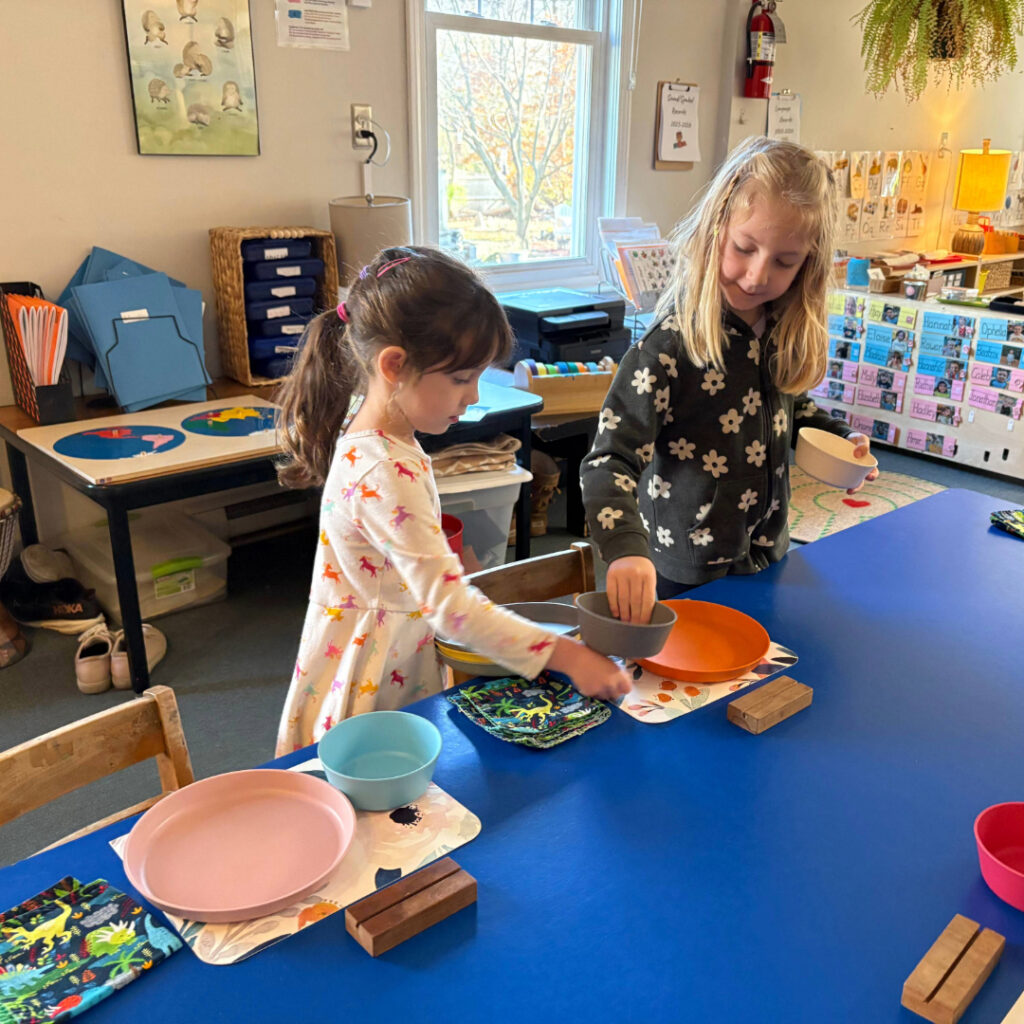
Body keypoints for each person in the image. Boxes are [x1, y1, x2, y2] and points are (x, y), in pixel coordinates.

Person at [274, 246, 630, 754]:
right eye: (462, 379)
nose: (473, 396)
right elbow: (451, 611)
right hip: (371, 680)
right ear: (394, 365)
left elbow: (391, 547)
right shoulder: (382, 464)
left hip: (391, 651)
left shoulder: (381, 430)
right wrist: (568, 656)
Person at [580, 138, 879, 623]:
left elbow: (791, 409)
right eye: (744, 248)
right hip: (684, 568)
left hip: (763, 553)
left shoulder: (779, 326)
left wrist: (842, 438)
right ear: (715, 230)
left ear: (809, 264)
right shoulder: (669, 345)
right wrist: (625, 550)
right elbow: (607, 459)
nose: (758, 275)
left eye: (785, 261)